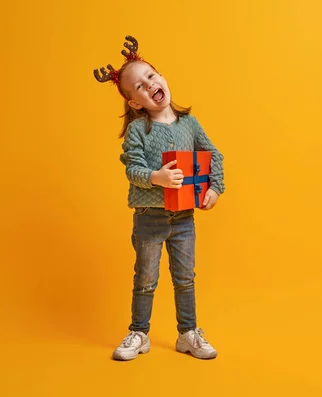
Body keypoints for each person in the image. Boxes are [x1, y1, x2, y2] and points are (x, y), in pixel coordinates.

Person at [93, 35, 225, 361]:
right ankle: (139, 333)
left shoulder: (189, 124)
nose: (148, 84)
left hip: (183, 218)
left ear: (162, 78)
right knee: (145, 278)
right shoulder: (139, 130)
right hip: (149, 216)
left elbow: (213, 155)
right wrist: (158, 178)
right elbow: (133, 169)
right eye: (138, 86)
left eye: (151, 76)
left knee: (185, 277)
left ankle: (188, 333)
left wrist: (214, 187)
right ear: (135, 102)